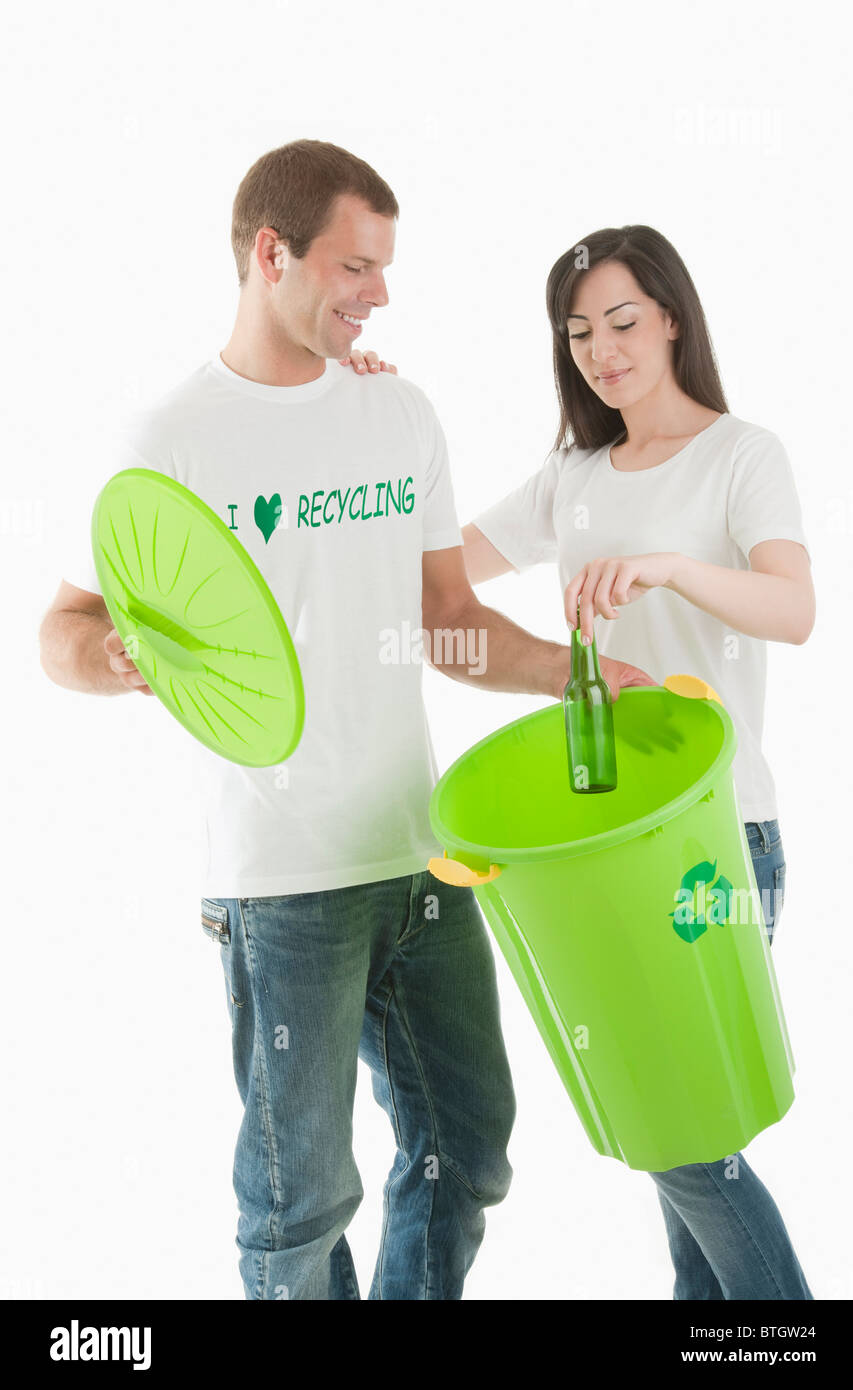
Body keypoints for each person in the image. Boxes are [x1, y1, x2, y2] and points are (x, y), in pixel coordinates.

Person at [37, 142, 654, 1301]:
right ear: (270, 253)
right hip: (279, 884)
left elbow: (445, 619)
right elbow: (59, 629)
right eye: (354, 265)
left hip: (422, 855)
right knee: (295, 1206)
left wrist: (582, 675)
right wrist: (113, 656)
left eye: (382, 268)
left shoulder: (396, 412)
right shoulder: (168, 440)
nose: (378, 293)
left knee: (465, 1146)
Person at [458, 224, 816, 1300]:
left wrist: (668, 569)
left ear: (669, 315)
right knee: (675, 1131)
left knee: (678, 1135)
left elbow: (791, 609)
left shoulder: (740, 454)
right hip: (600, 854)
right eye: (577, 333)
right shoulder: (570, 472)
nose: (601, 350)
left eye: (620, 321)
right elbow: (438, 573)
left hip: (714, 840)